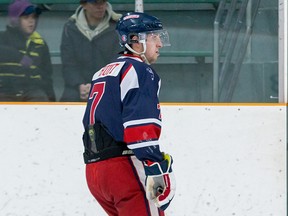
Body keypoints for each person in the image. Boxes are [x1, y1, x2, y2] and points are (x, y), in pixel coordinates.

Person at [82, 12, 176, 215]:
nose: (159, 43)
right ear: (135, 40)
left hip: (95, 173)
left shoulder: (102, 72)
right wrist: (154, 164)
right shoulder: (140, 70)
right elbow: (139, 125)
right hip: (124, 169)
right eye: (153, 37)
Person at [60, 0, 122, 102]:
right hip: (78, 87)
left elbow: (118, 62)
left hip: (109, 84)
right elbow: (68, 63)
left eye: (103, 2)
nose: (101, 6)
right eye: (95, 3)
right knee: (68, 99)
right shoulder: (70, 27)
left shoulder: (117, 26)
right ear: (83, 5)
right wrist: (79, 85)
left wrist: (99, 85)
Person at [0, 0, 55, 102]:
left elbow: (46, 76)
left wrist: (52, 101)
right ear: (15, 20)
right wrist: (19, 56)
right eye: (26, 18)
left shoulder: (40, 44)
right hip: (5, 92)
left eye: (33, 17)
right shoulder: (2, 38)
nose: (31, 21)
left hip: (32, 93)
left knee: (41, 98)